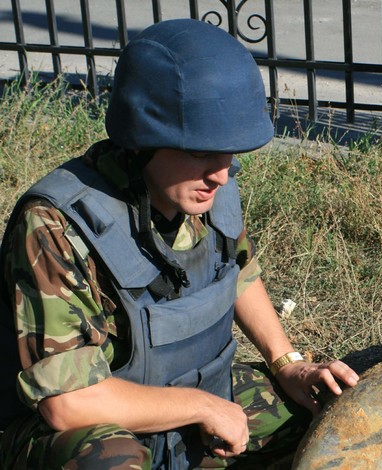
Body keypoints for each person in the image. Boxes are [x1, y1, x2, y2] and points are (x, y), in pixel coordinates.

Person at [0, 19, 359, 469]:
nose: (222, 174)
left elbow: (238, 274)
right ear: (145, 139)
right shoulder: (55, 223)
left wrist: (288, 363)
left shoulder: (204, 186)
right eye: (201, 151)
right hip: (83, 427)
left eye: (230, 153)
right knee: (110, 460)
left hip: (188, 391)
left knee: (327, 420)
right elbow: (67, 404)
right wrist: (204, 407)